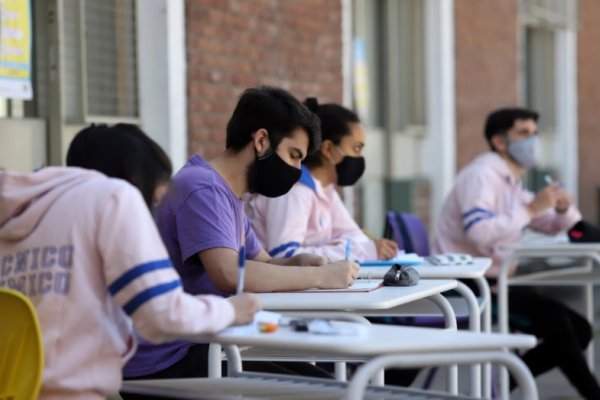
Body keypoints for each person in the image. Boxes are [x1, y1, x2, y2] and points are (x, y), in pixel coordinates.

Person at [0, 124, 260, 400]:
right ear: (136, 179)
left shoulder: (18, 213)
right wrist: (230, 311)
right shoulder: (114, 196)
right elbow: (163, 315)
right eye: (156, 199)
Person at [122, 86, 360, 382]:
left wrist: (299, 262)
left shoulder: (228, 194)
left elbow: (260, 262)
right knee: (327, 391)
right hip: (169, 357)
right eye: (294, 155)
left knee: (329, 385)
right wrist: (322, 278)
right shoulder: (203, 188)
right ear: (261, 140)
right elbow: (229, 275)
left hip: (203, 344)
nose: (297, 171)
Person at [433, 107, 600, 399]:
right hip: (470, 286)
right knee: (562, 327)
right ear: (499, 141)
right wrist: (532, 208)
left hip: (497, 282)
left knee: (580, 329)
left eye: (535, 133)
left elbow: (550, 225)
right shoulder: (483, 174)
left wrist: (561, 209)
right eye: (523, 133)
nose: (532, 140)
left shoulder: (509, 180)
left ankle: (503, 382)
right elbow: (480, 231)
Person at [246, 98, 397, 261]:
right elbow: (283, 255)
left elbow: (354, 236)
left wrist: (365, 248)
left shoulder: (325, 190)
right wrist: (362, 251)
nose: (359, 157)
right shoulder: (293, 191)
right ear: (328, 148)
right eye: (356, 148)